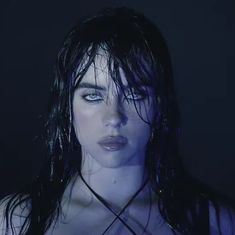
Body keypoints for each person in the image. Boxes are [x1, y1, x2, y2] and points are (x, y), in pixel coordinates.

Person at [0, 7, 234, 235]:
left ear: (159, 104)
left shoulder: (216, 222)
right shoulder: (15, 221)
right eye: (93, 96)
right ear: (67, 107)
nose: (113, 117)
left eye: (134, 94)